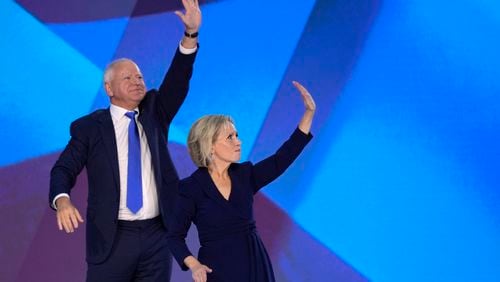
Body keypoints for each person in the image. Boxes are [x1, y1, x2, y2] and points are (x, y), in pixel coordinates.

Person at [48, 0, 202, 280]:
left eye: (140, 76)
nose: (137, 81)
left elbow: (178, 79)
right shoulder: (90, 127)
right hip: (112, 238)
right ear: (109, 88)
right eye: (127, 77)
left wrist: (190, 35)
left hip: (157, 235)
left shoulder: (156, 110)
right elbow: (63, 168)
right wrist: (62, 200)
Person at [166, 81, 316, 282]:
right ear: (209, 146)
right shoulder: (190, 188)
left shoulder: (245, 175)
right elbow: (174, 237)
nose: (239, 141)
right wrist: (194, 264)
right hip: (217, 270)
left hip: (255, 266)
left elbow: (281, 159)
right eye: (230, 137)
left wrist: (308, 114)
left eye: (237, 135)